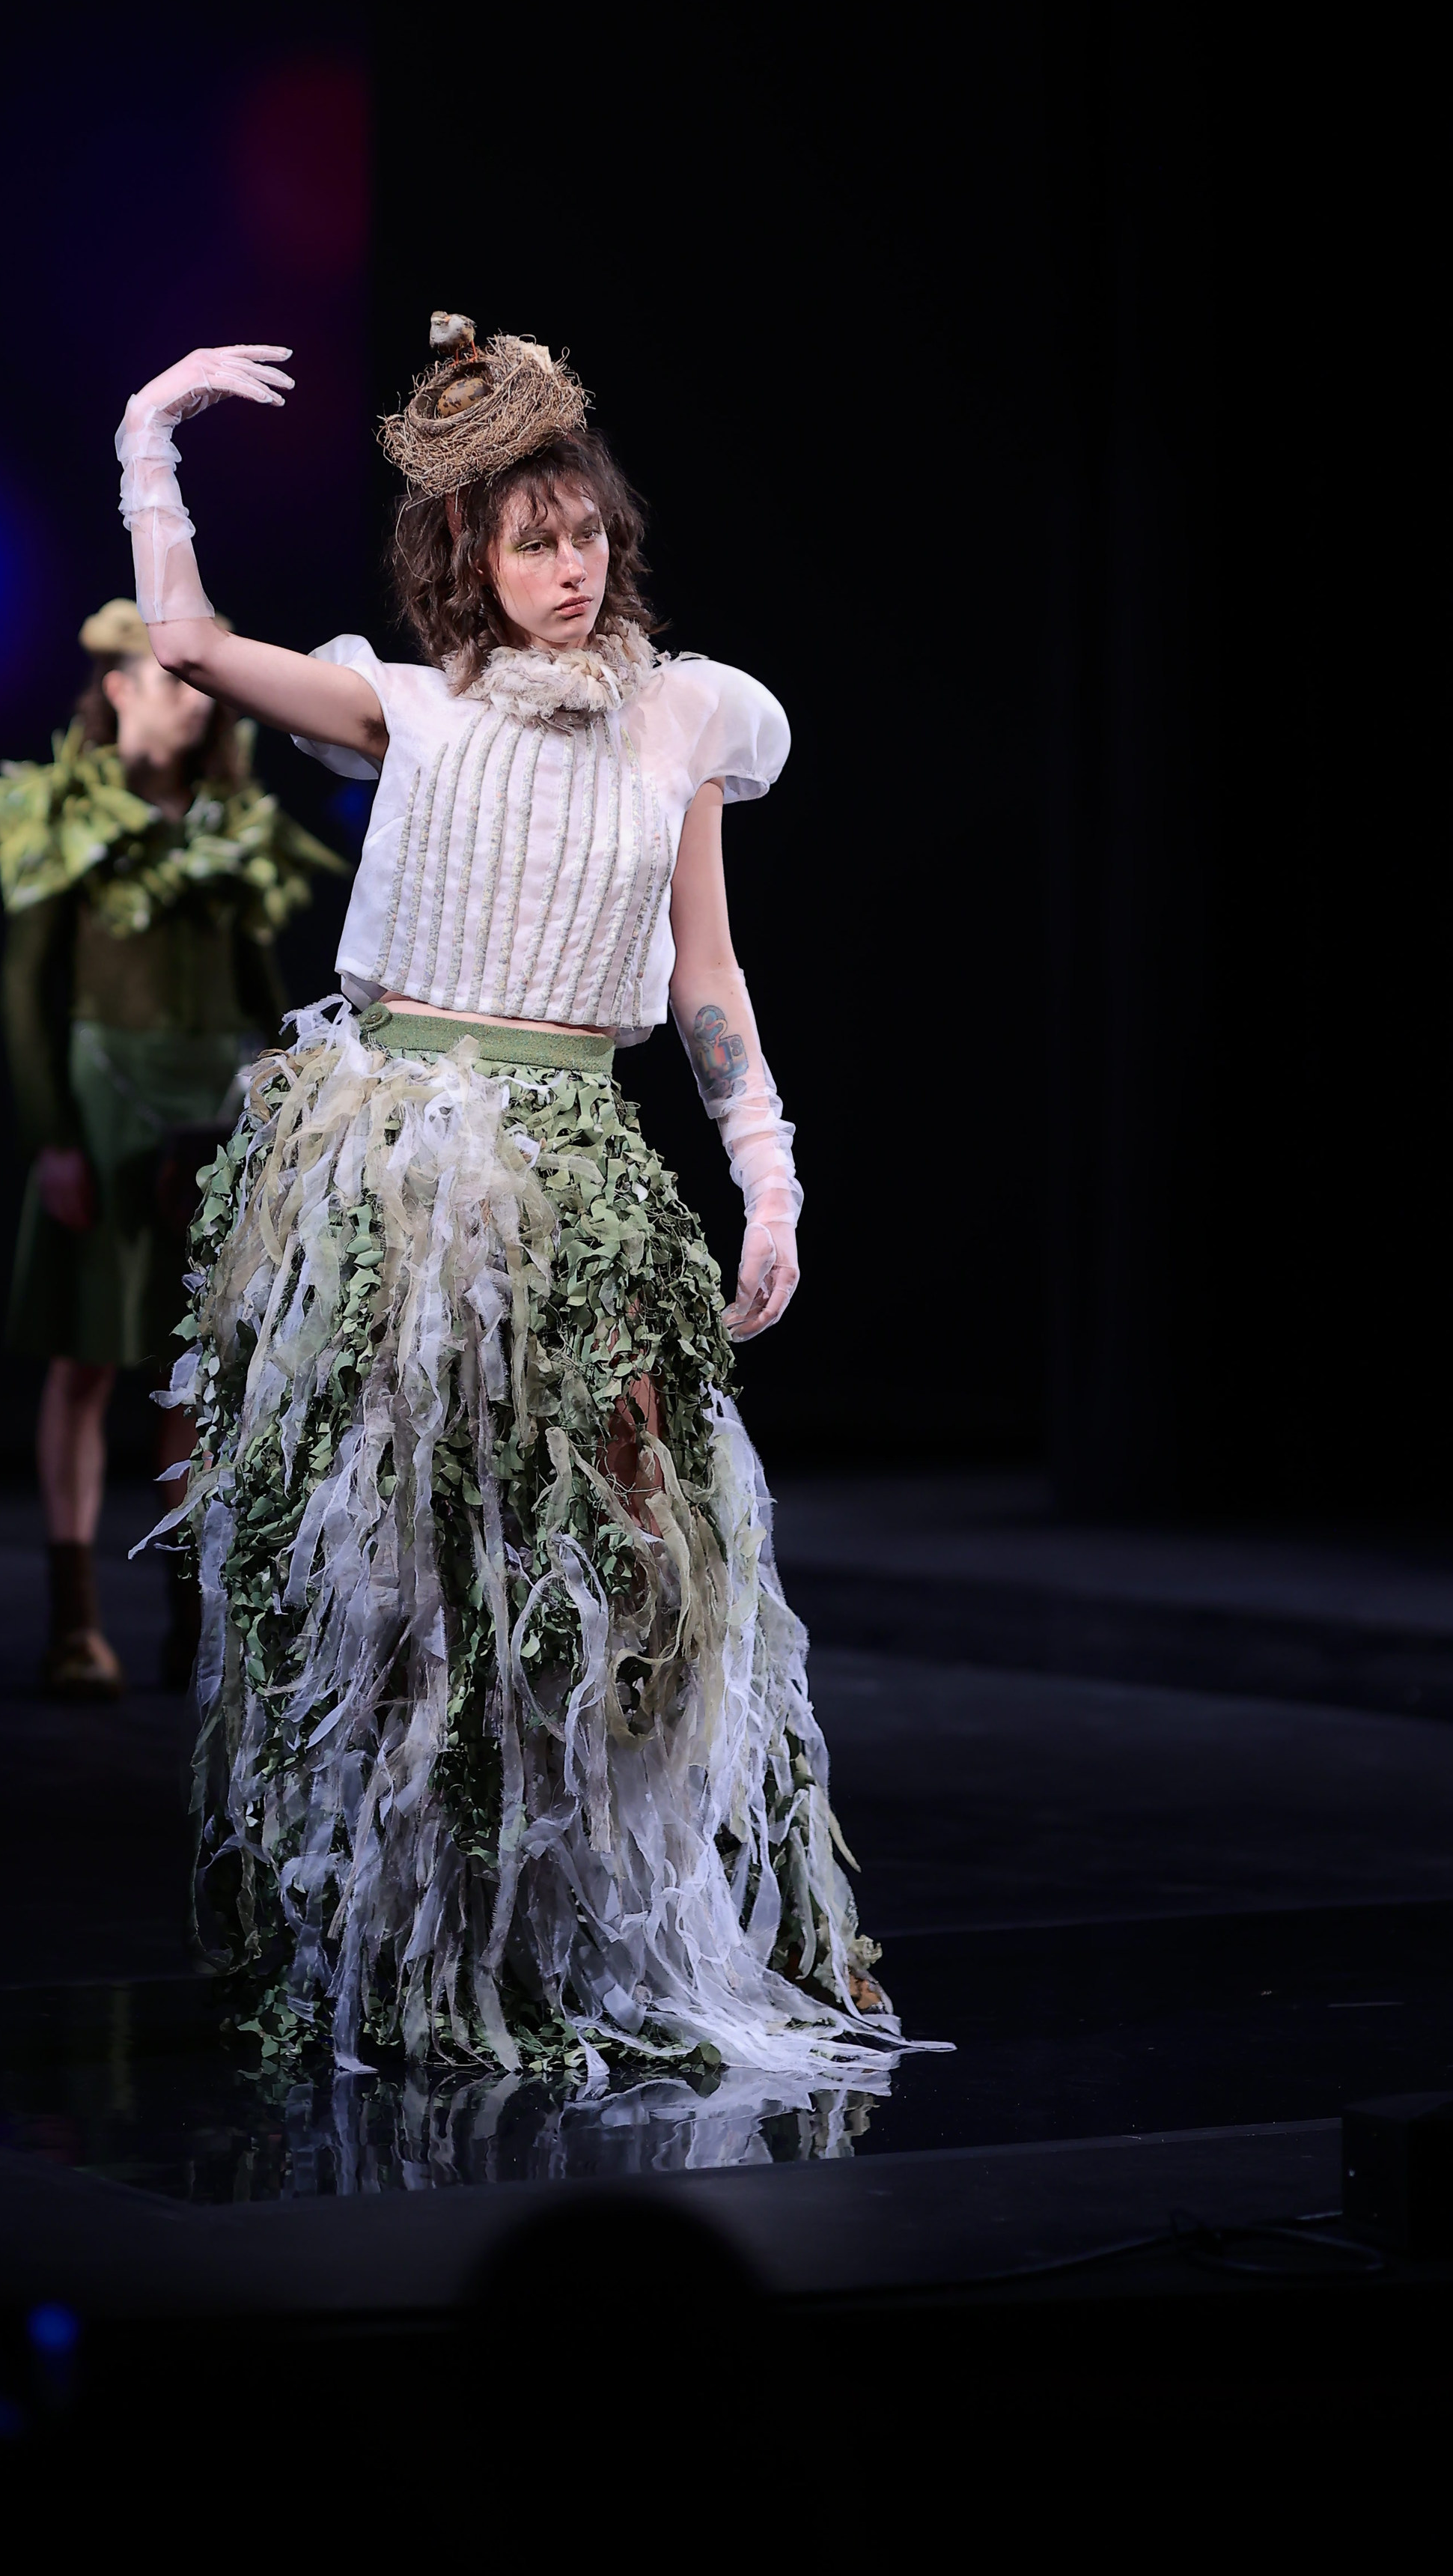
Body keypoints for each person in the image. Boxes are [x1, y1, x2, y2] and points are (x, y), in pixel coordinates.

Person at [108, 321, 916, 2086]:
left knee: (639, 1554)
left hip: (574, 1156)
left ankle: (636, 1919)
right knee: (416, 1570)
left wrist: (768, 1175)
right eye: (536, 540)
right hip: (404, 1163)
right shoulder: (410, 708)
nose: (574, 568)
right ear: (468, 557)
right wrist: (149, 442)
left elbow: (707, 967)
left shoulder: (684, 712)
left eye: (591, 535)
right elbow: (189, 642)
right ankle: (428, 1939)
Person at [0, 603, 344, 1699]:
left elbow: (261, 983)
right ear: (118, 688)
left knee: (199, 1366)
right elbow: (25, 989)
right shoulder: (63, 817)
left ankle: (191, 1615)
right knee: (85, 1361)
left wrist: (287, 1101)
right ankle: (75, 1617)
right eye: (168, 679)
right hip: (104, 1100)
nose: (189, 697)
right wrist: (51, 1137)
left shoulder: (230, 818)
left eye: (197, 683)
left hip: (211, 1102)